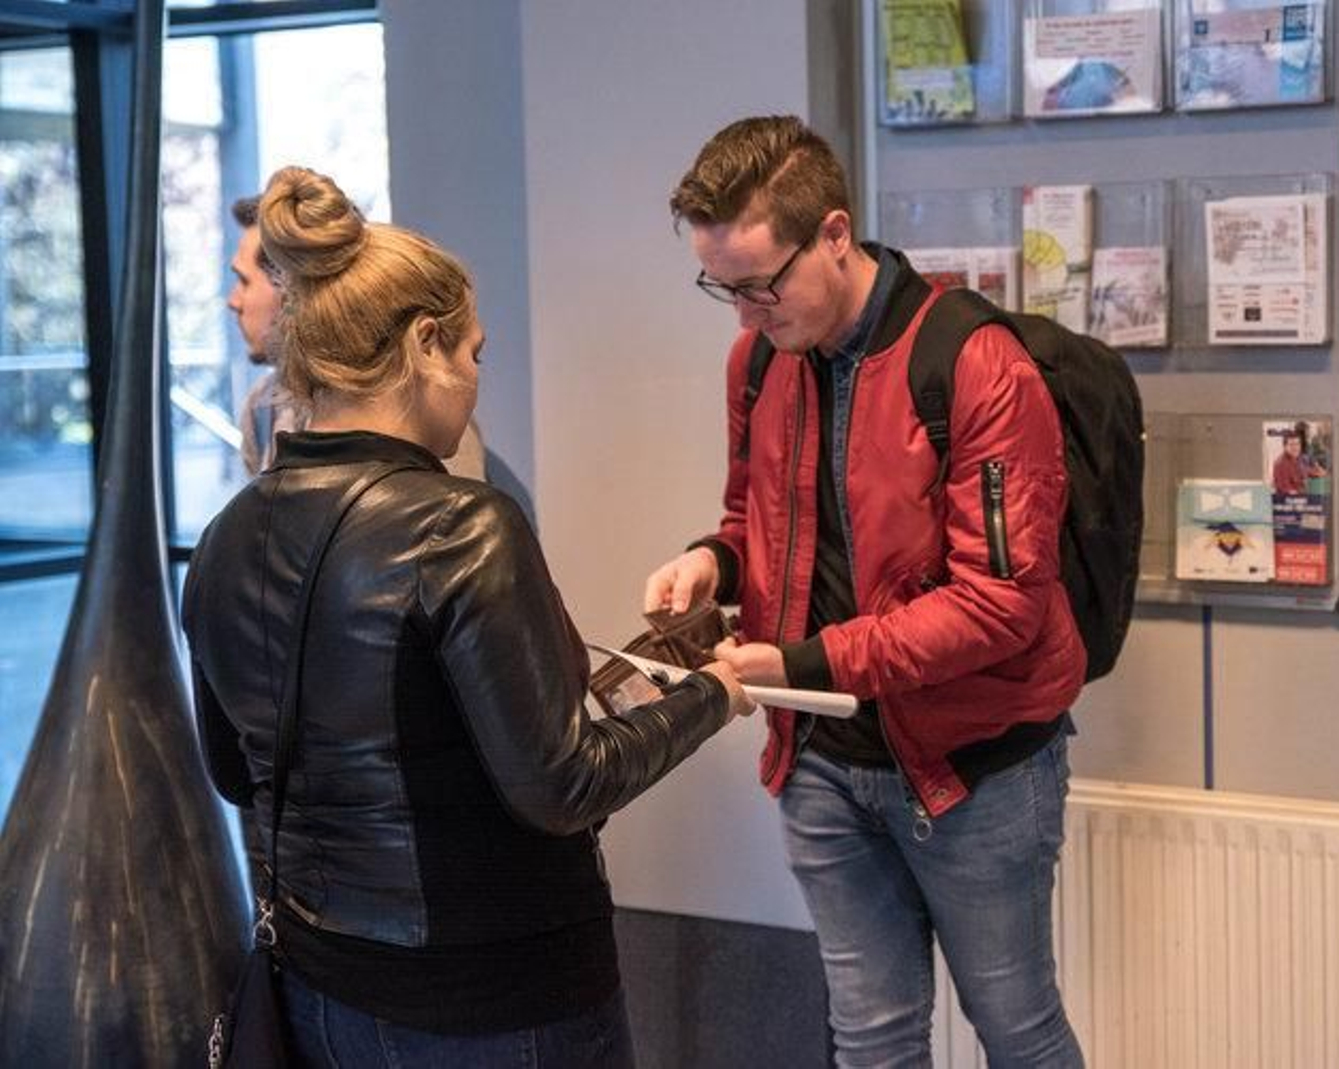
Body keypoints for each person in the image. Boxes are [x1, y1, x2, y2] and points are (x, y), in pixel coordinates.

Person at [185, 165, 754, 1068]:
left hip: (322, 988)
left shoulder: (224, 538)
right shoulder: (460, 524)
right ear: (424, 344)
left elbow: (232, 769)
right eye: (475, 354)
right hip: (495, 997)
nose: (476, 381)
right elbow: (562, 784)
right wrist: (711, 694)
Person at [644, 115, 1088, 1067]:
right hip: (821, 762)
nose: (744, 314)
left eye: (762, 284)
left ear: (835, 234)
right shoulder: (760, 358)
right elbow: (751, 517)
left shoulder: (974, 362)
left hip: (975, 767)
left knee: (1016, 1027)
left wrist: (804, 660)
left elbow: (999, 603)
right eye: (722, 288)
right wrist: (710, 566)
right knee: (872, 1037)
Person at [227, 194, 488, 478]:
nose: (233, 301)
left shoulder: (428, 417)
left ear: (290, 286)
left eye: (243, 280)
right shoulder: (260, 408)